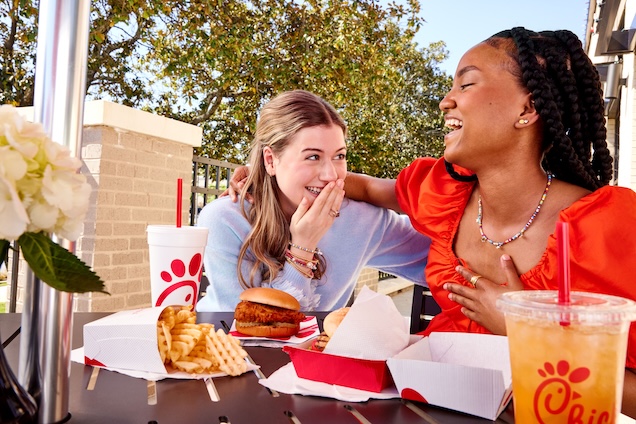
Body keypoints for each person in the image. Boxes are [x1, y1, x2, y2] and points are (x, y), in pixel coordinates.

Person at [340, 27, 636, 417]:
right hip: (422, 403)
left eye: (467, 84)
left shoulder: (607, 227)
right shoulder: (443, 191)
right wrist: (269, 175)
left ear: (527, 109)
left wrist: (524, 331)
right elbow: (363, 188)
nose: (446, 101)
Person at [195, 90, 430, 313]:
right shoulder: (225, 219)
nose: (330, 174)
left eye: (339, 156)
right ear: (270, 160)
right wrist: (303, 248)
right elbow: (251, 328)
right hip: (224, 351)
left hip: (314, 356)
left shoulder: (361, 220)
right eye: (313, 157)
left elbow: (444, 252)